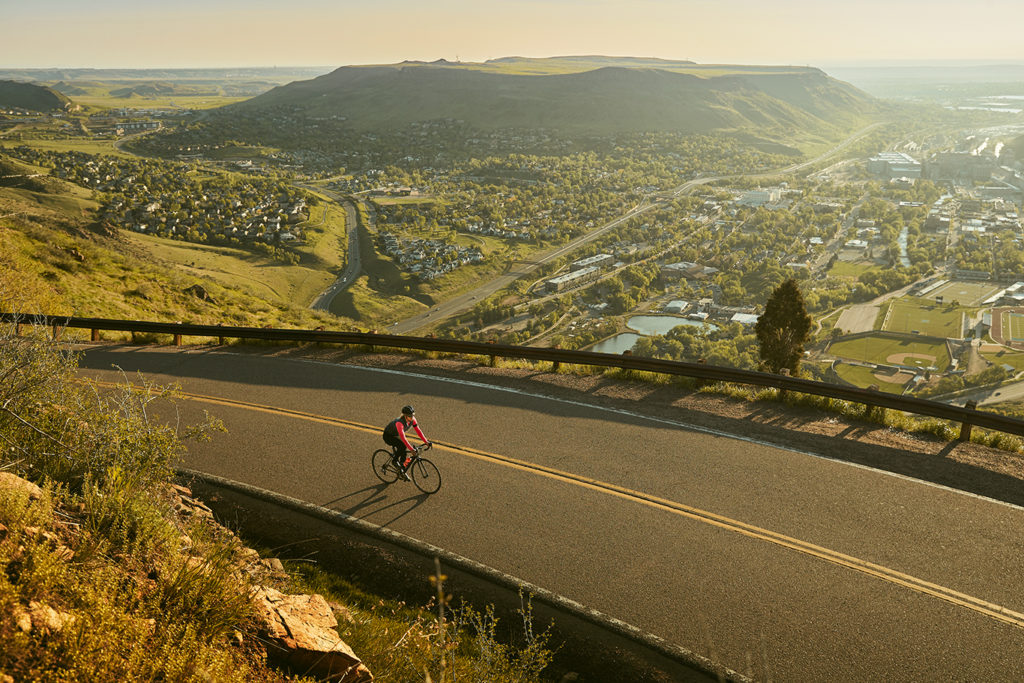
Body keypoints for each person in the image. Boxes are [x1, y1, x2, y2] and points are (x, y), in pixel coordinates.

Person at [382, 405, 430, 481]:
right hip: (388, 436)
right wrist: (411, 449)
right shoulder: (399, 423)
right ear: (404, 416)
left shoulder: (413, 420)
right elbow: (403, 438)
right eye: (409, 416)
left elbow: (418, 431)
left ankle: (401, 469)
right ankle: (394, 461)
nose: (411, 418)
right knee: (402, 446)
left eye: (412, 415)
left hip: (396, 434)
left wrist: (426, 441)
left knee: (404, 452)